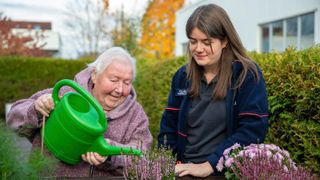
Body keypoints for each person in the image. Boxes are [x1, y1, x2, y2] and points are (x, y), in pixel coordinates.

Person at [158, 4, 268, 178]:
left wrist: (209, 164)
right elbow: (168, 127)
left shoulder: (247, 75)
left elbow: (252, 131)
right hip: (183, 170)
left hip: (224, 172)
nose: (198, 49)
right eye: (193, 41)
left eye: (207, 42)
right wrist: (165, 165)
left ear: (224, 41)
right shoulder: (182, 76)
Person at [6, 47, 152, 178]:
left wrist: (111, 156)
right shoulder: (67, 94)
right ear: (95, 75)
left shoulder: (136, 114)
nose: (120, 89)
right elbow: (12, 119)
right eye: (114, 80)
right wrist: (36, 109)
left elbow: (141, 155)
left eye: (127, 83)